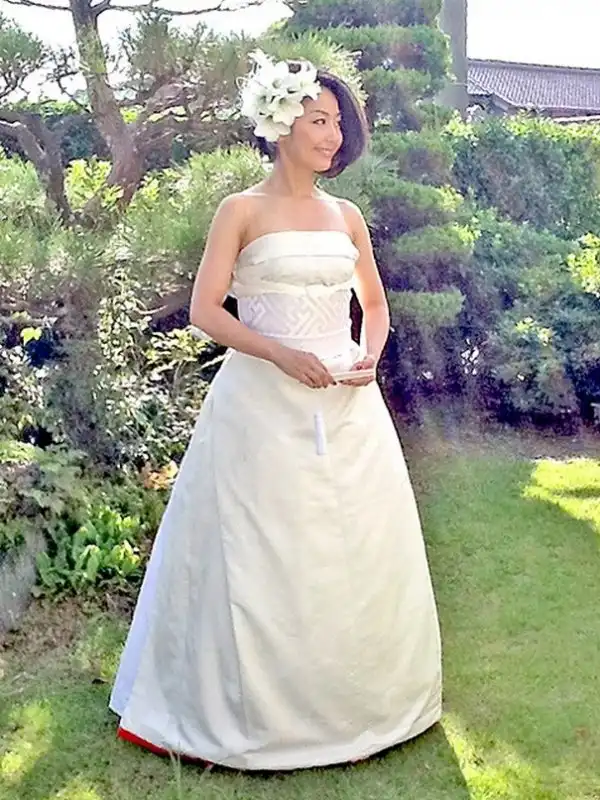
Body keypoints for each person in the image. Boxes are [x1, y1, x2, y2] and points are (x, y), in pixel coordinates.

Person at [110, 51, 442, 771]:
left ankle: (365, 704)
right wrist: (279, 354)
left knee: (352, 548)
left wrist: (369, 355)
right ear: (280, 123)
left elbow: (374, 304)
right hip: (260, 407)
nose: (332, 135)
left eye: (338, 123)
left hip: (348, 405)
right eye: (317, 120)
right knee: (263, 551)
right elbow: (206, 311)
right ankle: (252, 713)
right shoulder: (241, 211)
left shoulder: (346, 216)